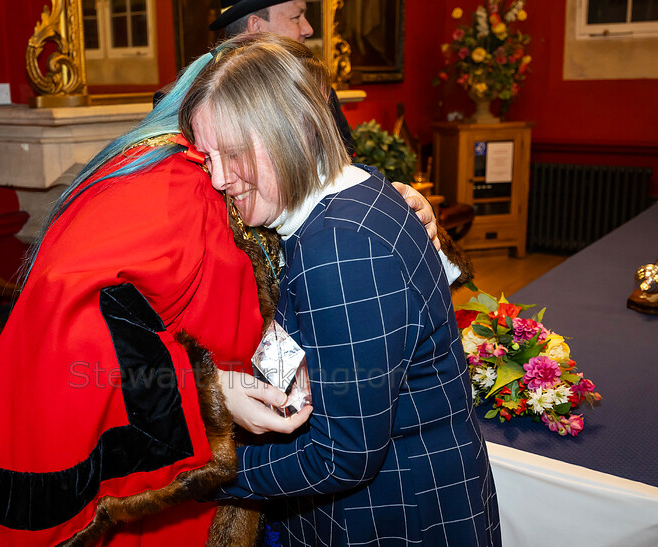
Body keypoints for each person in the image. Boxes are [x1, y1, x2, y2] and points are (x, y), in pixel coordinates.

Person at [0, 35, 440, 547]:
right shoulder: (178, 182)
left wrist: (374, 200)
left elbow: (308, 214)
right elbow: (74, 305)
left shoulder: (230, 171)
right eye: (297, 19)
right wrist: (204, 395)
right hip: (181, 484)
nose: (219, 178)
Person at [179, 37, 501, 546]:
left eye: (234, 154)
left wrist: (195, 476)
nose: (219, 179)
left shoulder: (342, 247)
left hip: (394, 520)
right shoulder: (352, 192)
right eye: (209, 158)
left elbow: (341, 454)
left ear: (294, 133)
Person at [210, 0, 356, 156]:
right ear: (256, 26)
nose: (309, 29)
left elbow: (343, 158)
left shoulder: (314, 88)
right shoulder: (210, 99)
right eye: (296, 17)